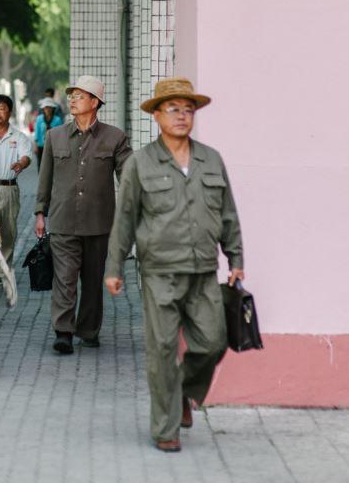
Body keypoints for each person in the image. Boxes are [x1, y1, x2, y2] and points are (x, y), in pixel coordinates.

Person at [105, 77, 244, 454]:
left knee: (213, 341)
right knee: (163, 349)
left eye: (188, 109)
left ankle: (183, 392)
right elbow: (125, 219)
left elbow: (228, 213)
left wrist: (236, 258)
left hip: (203, 271)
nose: (182, 116)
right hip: (159, 272)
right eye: (173, 108)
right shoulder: (141, 163)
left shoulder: (210, 159)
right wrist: (114, 267)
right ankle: (166, 427)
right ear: (157, 115)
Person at [34, 76, 132, 354]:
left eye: (79, 95)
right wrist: (40, 213)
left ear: (95, 102)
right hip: (63, 221)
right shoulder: (55, 136)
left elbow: (129, 176)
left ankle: (88, 330)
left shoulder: (115, 137)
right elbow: (44, 179)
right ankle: (63, 331)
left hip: (100, 223)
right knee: (64, 278)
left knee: (92, 281)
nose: (72, 100)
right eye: (72, 95)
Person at [0, 94, 31, 288]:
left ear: (9, 112)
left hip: (9, 188)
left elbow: (26, 156)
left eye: (1, 109)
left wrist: (21, 163)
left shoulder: (18, 137)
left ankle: (3, 270)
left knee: (7, 230)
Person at [34, 99, 63, 168]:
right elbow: (37, 133)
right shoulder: (39, 119)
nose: (47, 109)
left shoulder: (57, 119)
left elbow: (61, 134)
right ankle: (42, 179)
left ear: (53, 109)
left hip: (54, 146)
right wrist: (35, 146)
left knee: (52, 165)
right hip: (41, 145)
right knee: (41, 165)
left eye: (49, 107)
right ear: (43, 109)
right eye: (46, 107)